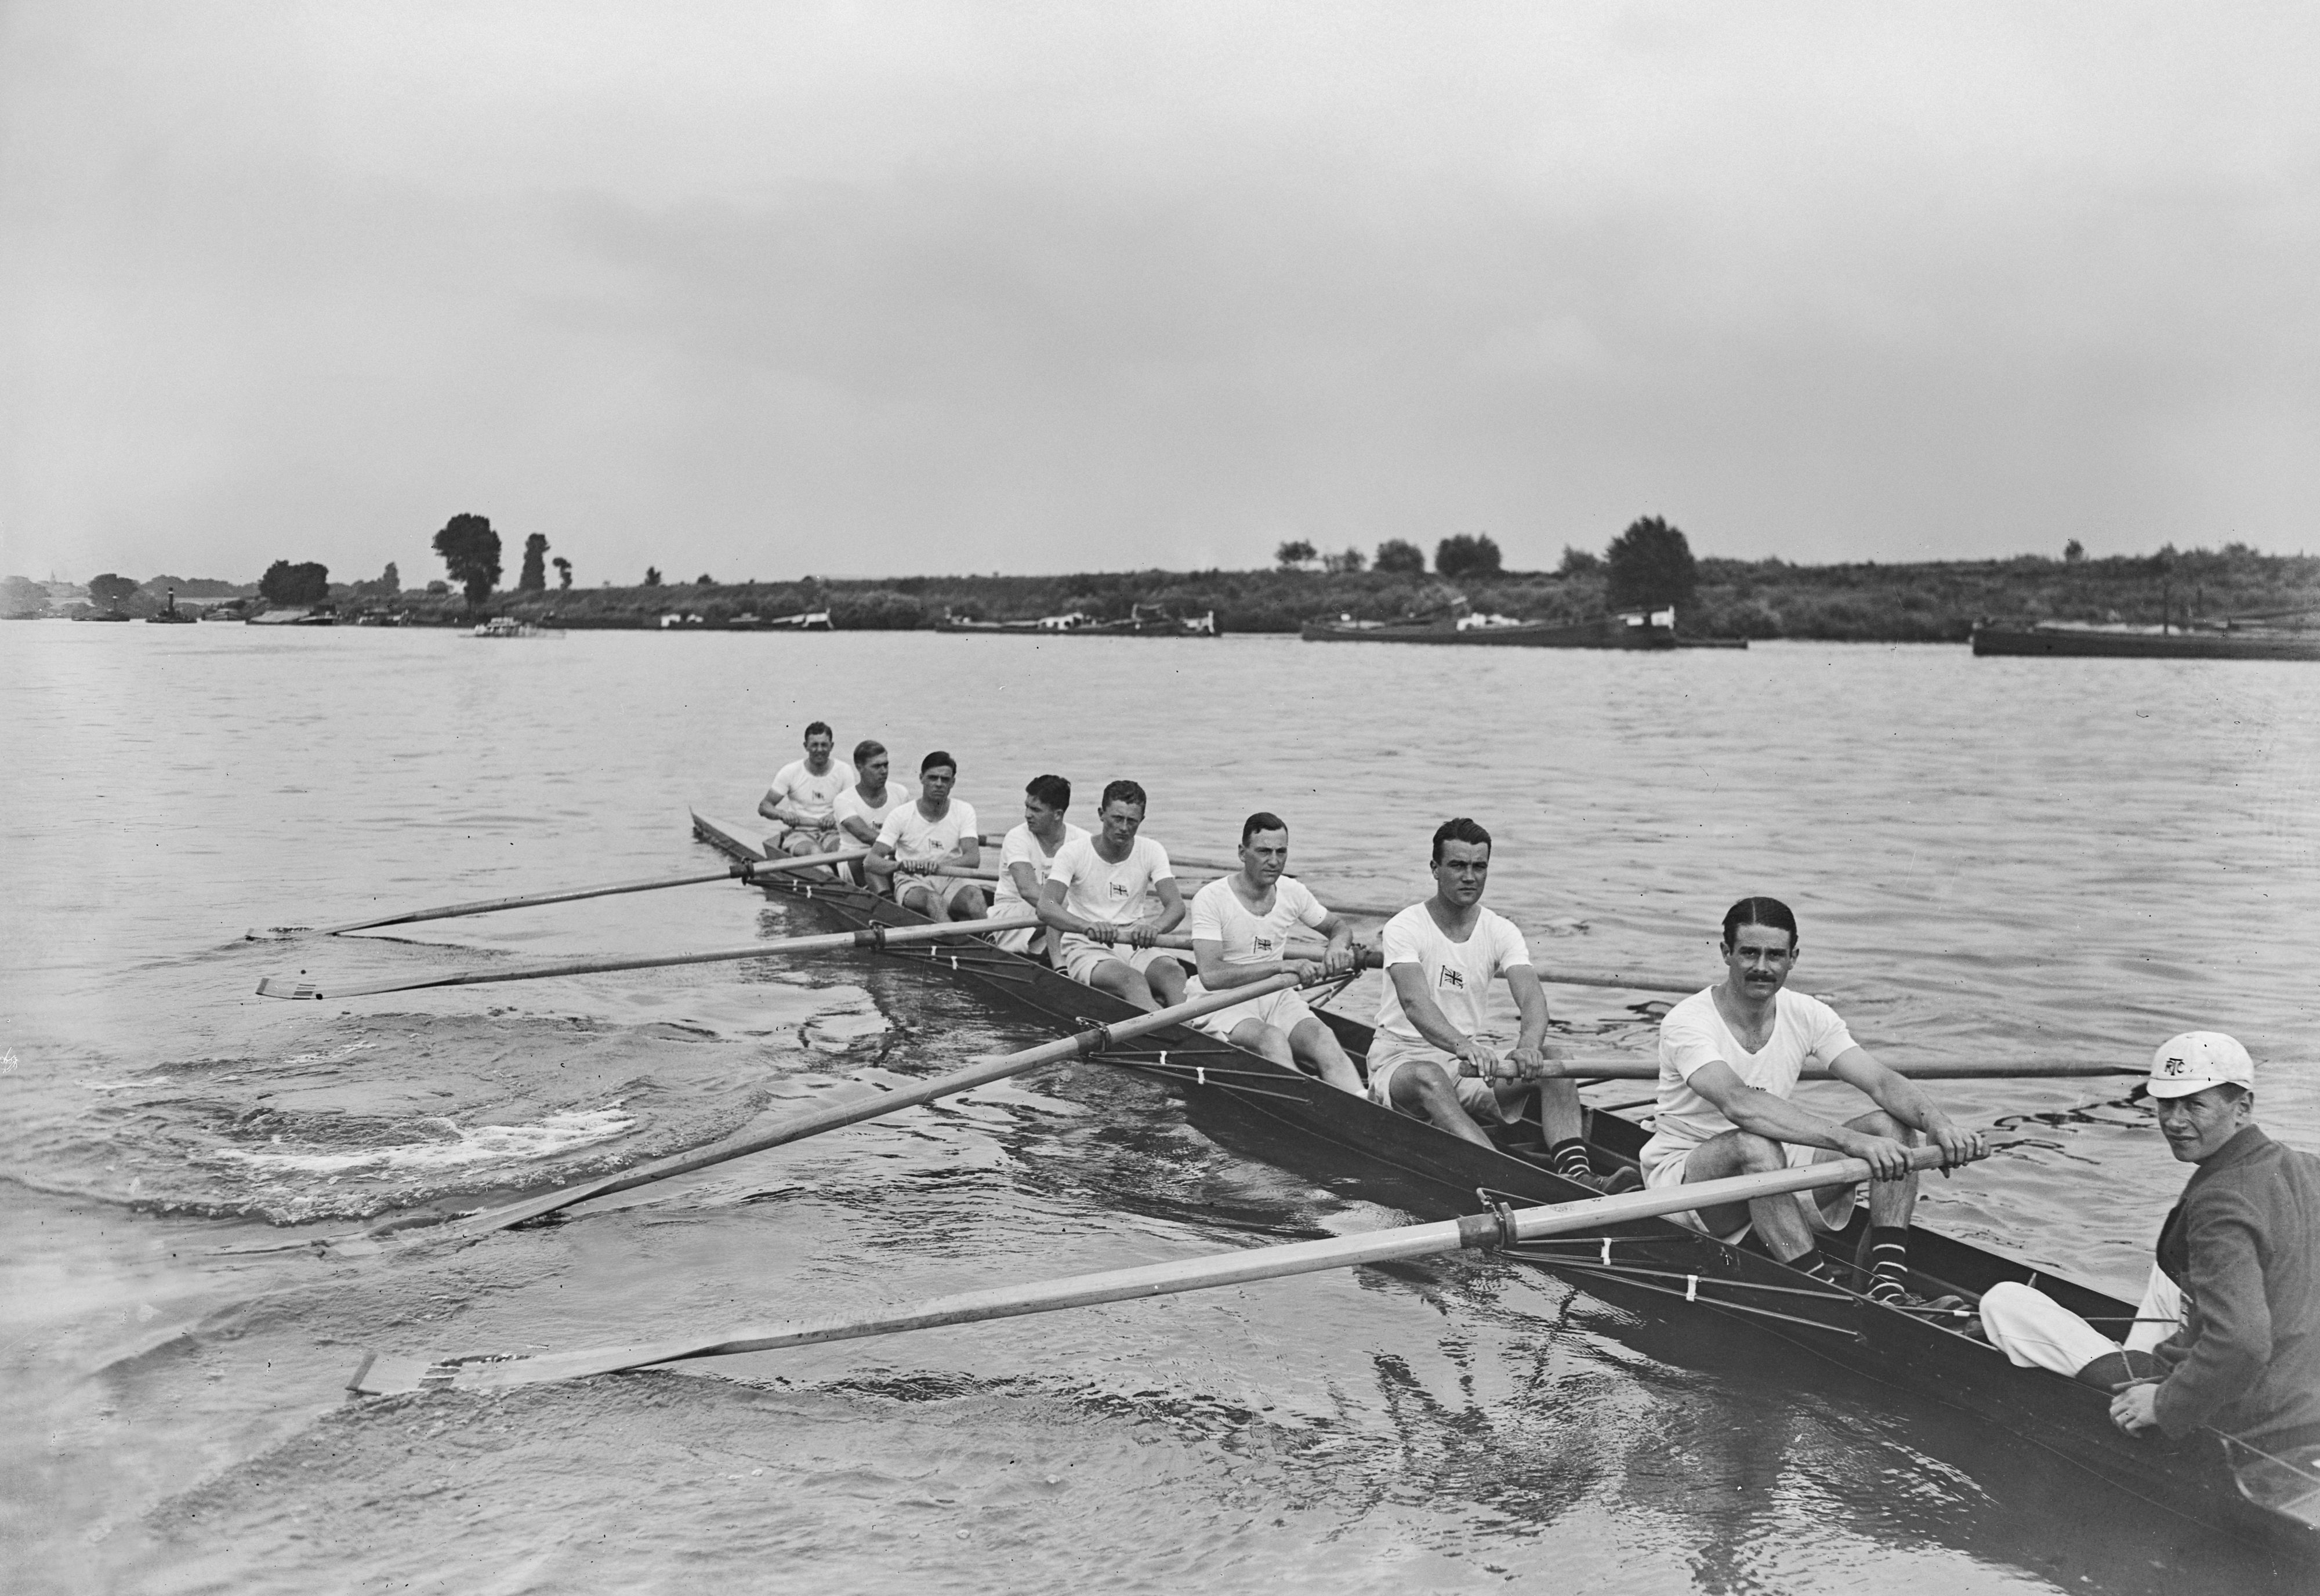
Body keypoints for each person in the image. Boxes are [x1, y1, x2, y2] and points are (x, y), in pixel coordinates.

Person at [1978, 1032, 2319, 1468]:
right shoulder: (2307, 1167)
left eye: (2194, 1105)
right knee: (2171, 1265)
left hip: (2237, 1418)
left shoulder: (2221, 1201)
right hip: (2305, 1406)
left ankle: (2138, 1382)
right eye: (2165, 1104)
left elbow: (2244, 1345)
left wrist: (2165, 1403)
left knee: (2003, 1300)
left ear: (2244, 1108)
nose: (2174, 1122)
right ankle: (2139, 1361)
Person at [1638, 896, 1983, 1301]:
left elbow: (1881, 1083)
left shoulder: (1807, 1013)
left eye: (1775, 955)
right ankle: (1822, 1292)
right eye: (1749, 953)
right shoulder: (1689, 1021)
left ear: (1794, 957)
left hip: (1770, 1167)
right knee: (1756, 1143)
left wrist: (1938, 1123)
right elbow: (1739, 1103)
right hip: (1684, 1182)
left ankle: (1888, 1284)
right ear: (1726, 953)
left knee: (1890, 1126)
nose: (1762, 967)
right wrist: (1848, 1140)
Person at [1368, 818, 1615, 1180]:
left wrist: (1529, 1046)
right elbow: (1414, 1003)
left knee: (1556, 1060)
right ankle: (1505, 1177)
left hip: (1466, 1064)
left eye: (1479, 867)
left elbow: (1532, 998)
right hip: (1401, 1061)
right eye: (1457, 866)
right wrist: (1464, 1046)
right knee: (1431, 1075)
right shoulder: (1405, 927)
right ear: (1435, 869)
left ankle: (1577, 1176)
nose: (1469, 876)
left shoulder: (1501, 930)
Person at [1184, 812, 1362, 1093]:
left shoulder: (1292, 892)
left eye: (1282, 852)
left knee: (1324, 1038)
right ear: (1242, 853)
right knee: (1272, 1039)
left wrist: (1338, 947)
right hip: (1222, 1000)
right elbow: (1211, 975)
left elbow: (1338, 927)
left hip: (1275, 995)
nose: (1275, 861)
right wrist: (1279, 966)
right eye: (1264, 851)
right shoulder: (1211, 898)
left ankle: (1362, 1104)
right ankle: (1313, 1106)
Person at [1038, 779, 1188, 1011]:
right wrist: (1087, 925)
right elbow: (1046, 907)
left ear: (1142, 821)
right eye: (1117, 819)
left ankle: (1190, 1027)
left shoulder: (1152, 850)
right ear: (1101, 814)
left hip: (1134, 941)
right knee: (1132, 980)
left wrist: (1155, 928)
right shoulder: (1074, 853)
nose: (1124, 828)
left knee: (1175, 974)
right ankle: (1173, 1033)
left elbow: (1176, 907)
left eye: (1132, 821)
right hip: (1086, 944)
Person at [865, 752, 986, 921]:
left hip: (950, 878)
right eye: (933, 778)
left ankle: (991, 943)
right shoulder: (901, 815)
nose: (938, 784)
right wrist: (900, 866)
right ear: (922, 778)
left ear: (953, 783)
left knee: (976, 899)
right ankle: (957, 944)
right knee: (934, 901)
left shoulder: (964, 811)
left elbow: (973, 859)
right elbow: (871, 861)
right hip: (913, 880)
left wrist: (937, 866)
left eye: (945, 780)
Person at [991, 774, 1088, 960]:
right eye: (1027, 807)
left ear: (1058, 815)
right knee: (1066, 913)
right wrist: (1082, 921)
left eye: (1036, 810)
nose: (1027, 814)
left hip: (1057, 916)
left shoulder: (1082, 841)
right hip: (1012, 916)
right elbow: (1028, 891)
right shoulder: (1017, 837)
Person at [757, 721, 854, 860]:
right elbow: (764, 806)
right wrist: (782, 814)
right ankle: (827, 875)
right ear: (806, 746)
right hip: (800, 833)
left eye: (824, 745)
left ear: (831, 746)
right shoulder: (790, 772)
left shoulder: (844, 771)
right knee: (815, 853)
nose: (819, 750)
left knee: (840, 851)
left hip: (833, 833)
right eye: (814, 745)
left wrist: (836, 815)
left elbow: (854, 806)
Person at [831, 739, 908, 886]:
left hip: (890, 856)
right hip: (855, 858)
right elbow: (865, 835)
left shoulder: (900, 793)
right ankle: (886, 899)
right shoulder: (844, 800)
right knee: (871, 864)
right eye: (877, 766)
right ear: (860, 768)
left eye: (886, 765)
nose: (884, 771)